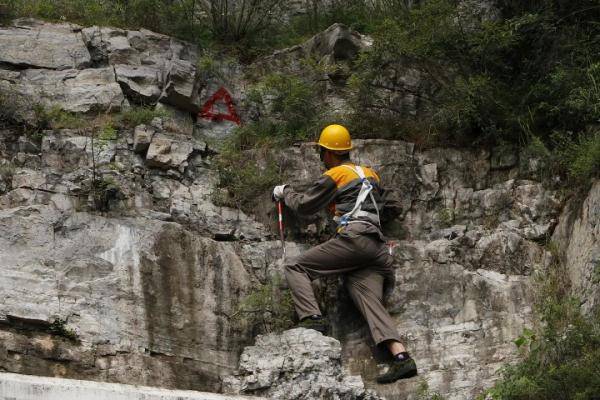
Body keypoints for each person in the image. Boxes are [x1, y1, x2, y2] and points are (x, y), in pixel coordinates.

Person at [272, 124, 417, 384]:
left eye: (321, 152)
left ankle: (313, 318)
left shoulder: (337, 174)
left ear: (326, 152)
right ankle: (401, 357)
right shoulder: (370, 174)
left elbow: (305, 206)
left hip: (355, 240)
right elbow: (393, 205)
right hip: (378, 249)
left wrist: (285, 192)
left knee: (296, 266)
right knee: (363, 292)